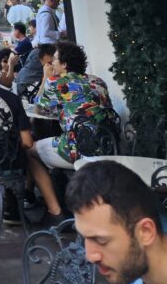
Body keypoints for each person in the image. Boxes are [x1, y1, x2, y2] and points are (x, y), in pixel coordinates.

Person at [45, 161, 167, 284]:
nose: (90, 255)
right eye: (85, 237)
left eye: (101, 240)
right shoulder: (128, 273)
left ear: (145, 232)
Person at [27, 40, 116, 223]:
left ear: (65, 65)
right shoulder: (98, 81)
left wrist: (45, 78)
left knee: (29, 150)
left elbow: (38, 109)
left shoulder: (57, 83)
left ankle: (55, 209)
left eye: (56, 59)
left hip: (77, 149)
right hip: (107, 146)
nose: (52, 63)